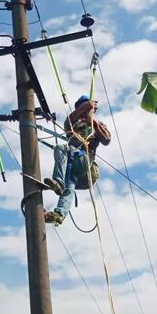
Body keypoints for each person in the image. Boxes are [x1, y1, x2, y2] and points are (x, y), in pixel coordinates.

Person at [43, 94, 111, 225]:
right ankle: (59, 214)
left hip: (84, 160)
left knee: (60, 148)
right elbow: (71, 118)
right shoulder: (72, 123)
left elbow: (106, 140)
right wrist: (87, 107)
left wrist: (93, 121)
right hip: (71, 162)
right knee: (69, 184)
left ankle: (58, 182)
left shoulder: (97, 124)